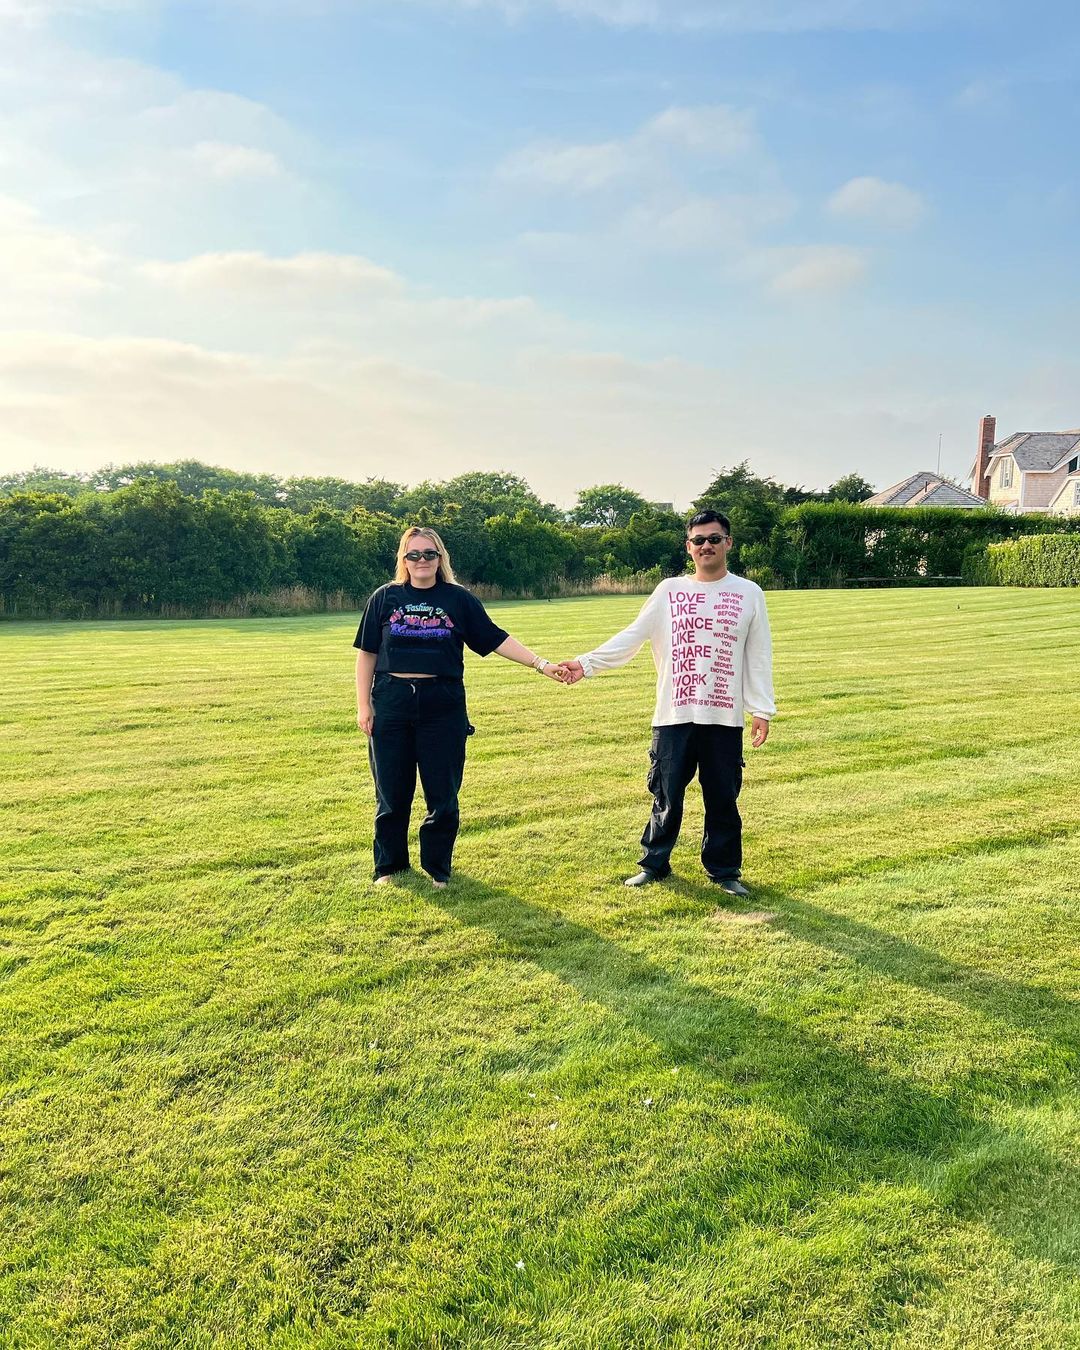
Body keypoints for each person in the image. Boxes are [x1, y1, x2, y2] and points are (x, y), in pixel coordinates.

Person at [559, 510, 775, 895]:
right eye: (698, 540)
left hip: (723, 717)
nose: (706, 546)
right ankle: (654, 863)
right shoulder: (669, 591)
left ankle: (725, 871)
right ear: (688, 547)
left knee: (722, 797)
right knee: (666, 794)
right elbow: (633, 635)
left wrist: (761, 709)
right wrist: (586, 663)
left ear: (728, 543)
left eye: (714, 538)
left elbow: (757, 655)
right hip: (674, 715)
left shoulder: (748, 593)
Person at [355, 526, 568, 888]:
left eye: (429, 553)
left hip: (443, 704)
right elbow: (367, 654)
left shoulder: (458, 599)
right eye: (413, 554)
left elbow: (495, 638)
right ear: (403, 559)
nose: (421, 560)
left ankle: (437, 868)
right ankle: (389, 866)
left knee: (443, 793)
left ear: (440, 558)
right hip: (391, 701)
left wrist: (541, 664)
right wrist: (364, 705)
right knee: (391, 792)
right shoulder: (385, 597)